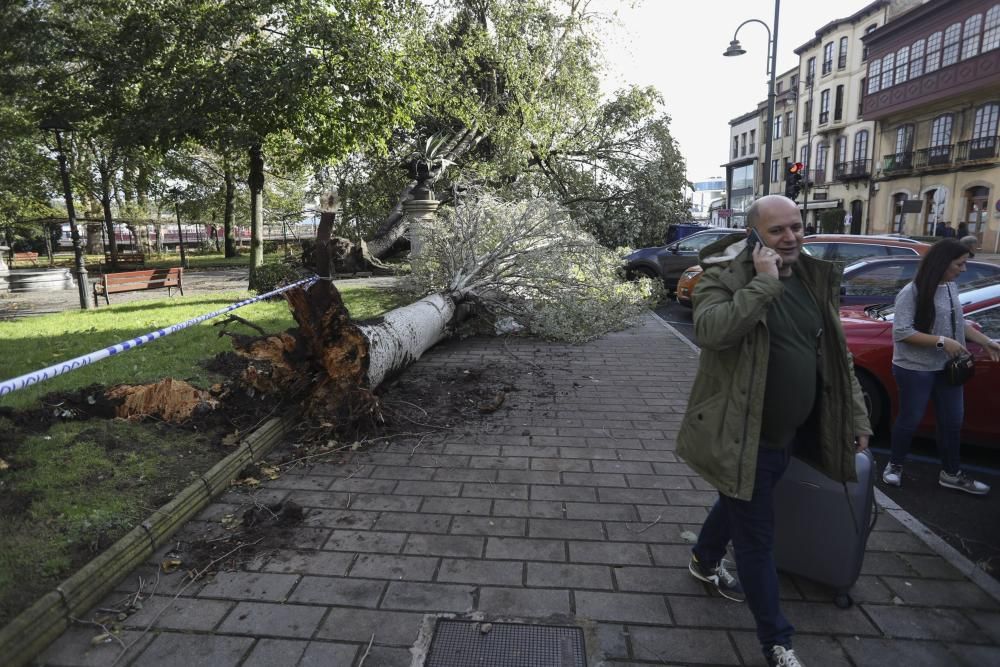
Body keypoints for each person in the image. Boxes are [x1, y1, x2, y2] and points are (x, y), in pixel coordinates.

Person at [678, 195, 871, 667]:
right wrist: (763, 285)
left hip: (792, 435)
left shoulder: (811, 278)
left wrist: (858, 417)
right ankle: (777, 643)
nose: (791, 238)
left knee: (739, 495)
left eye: (796, 227)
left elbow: (837, 356)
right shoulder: (724, 277)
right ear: (754, 236)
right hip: (746, 435)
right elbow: (711, 331)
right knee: (756, 541)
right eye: (777, 231)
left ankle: (703, 559)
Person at [882, 238, 1000, 494]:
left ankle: (951, 472)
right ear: (942, 263)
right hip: (914, 368)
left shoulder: (949, 288)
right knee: (910, 419)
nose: (963, 269)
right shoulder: (911, 292)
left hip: (948, 369)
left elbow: (959, 322)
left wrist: (986, 341)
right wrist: (941, 342)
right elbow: (901, 332)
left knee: (952, 421)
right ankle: (894, 465)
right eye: (960, 264)